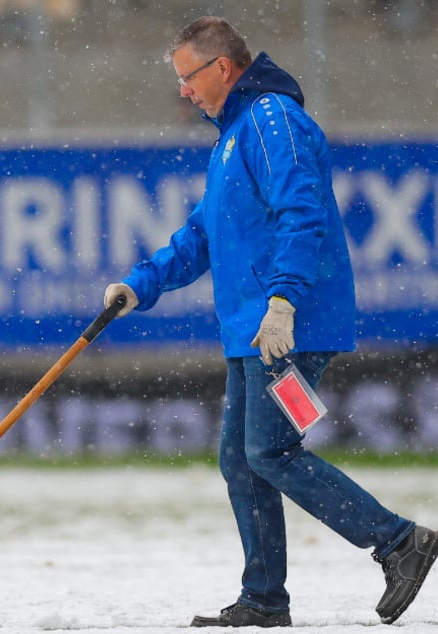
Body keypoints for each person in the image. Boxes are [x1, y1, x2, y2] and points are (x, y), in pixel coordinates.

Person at [103, 16, 436, 628]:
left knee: (271, 451)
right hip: (253, 329)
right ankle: (263, 598)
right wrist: (139, 286)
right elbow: (201, 235)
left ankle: (398, 542)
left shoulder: (270, 119)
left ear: (221, 67)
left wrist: (284, 301)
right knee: (243, 458)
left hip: (286, 326)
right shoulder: (235, 134)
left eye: (188, 77)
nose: (183, 91)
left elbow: (301, 212)